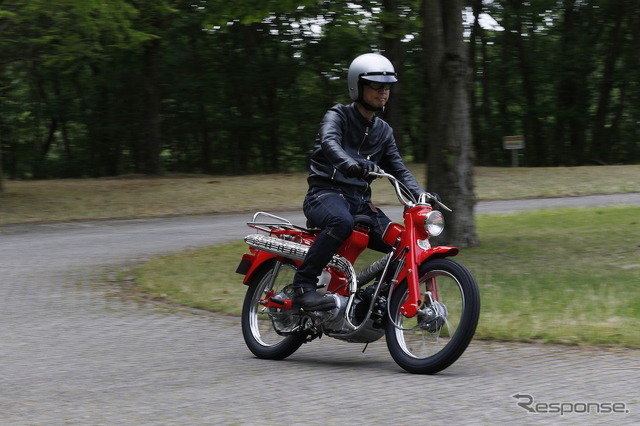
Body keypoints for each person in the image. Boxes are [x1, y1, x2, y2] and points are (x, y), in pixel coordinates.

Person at [291, 53, 426, 311]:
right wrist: (349, 164)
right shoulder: (338, 115)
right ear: (357, 85)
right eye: (376, 85)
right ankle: (303, 286)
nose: (383, 91)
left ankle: (376, 298)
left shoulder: (383, 131)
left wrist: (422, 195)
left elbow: (398, 169)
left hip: (360, 204)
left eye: (387, 87)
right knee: (341, 221)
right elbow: (329, 143)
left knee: (403, 244)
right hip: (324, 195)